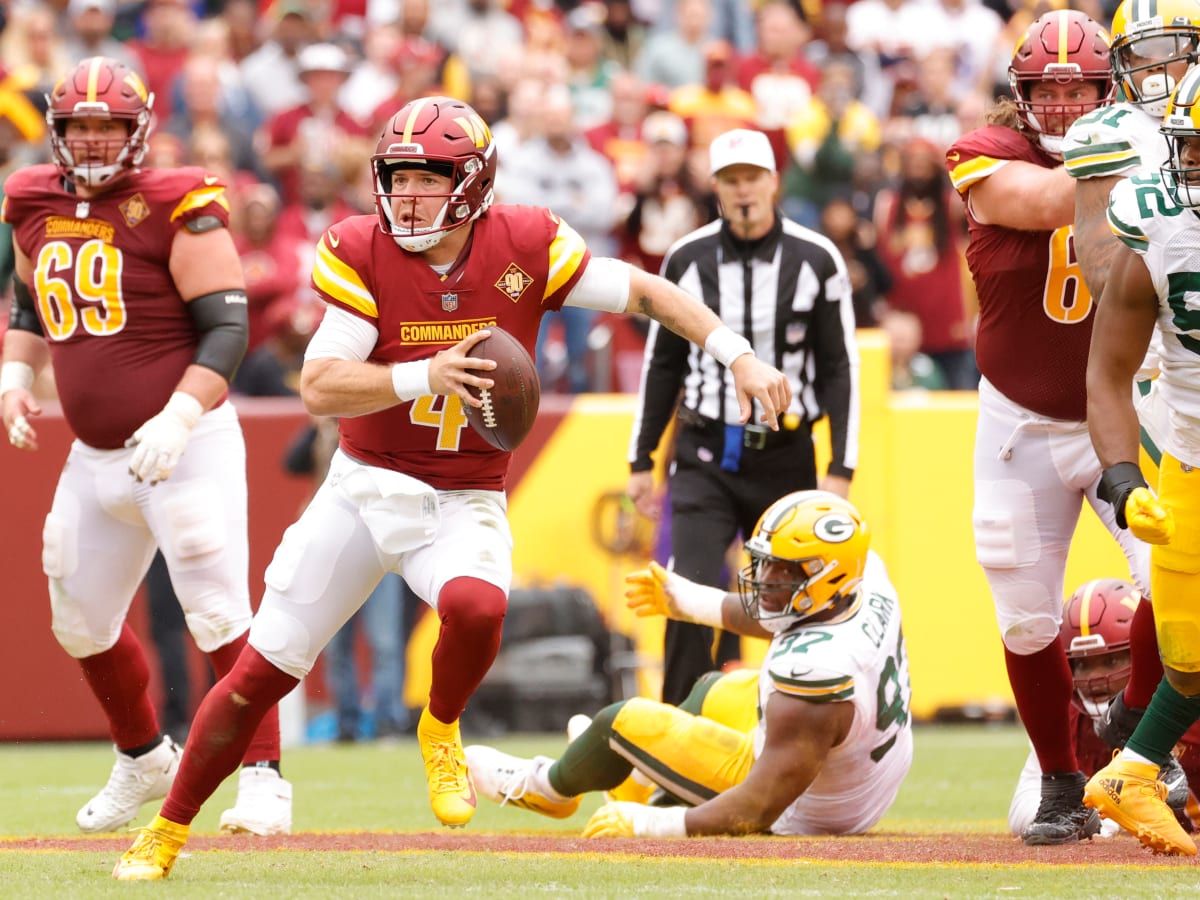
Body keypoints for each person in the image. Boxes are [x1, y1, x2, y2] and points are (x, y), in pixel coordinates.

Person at [112, 94, 791, 881]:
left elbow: (646, 292)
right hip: (363, 488)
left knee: (478, 605)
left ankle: (441, 729)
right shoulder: (363, 248)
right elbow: (322, 387)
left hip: (462, 496)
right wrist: (421, 374)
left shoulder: (526, 243)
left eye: (426, 179)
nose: (405, 195)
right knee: (260, 672)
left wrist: (738, 354)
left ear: (470, 184)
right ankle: (164, 831)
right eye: (396, 177)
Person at [0, 57, 291, 836]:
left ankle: (265, 777)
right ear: (57, 133)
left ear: (139, 130)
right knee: (78, 617)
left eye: (108, 126)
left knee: (218, 608)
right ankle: (142, 755)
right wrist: (12, 378)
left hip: (183, 442)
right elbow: (31, 302)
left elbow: (226, 326)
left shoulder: (176, 201)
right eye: (79, 127)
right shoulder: (31, 198)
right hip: (94, 454)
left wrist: (179, 416)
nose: (93, 142)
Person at [943, 10, 1150, 846]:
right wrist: (1146, 152)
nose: (1064, 106)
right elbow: (1040, 202)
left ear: (1109, 87)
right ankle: (1062, 781)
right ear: (1019, 96)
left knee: (1181, 596)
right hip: (1018, 421)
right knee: (1027, 616)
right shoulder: (986, 157)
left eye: (1081, 90)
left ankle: (1140, 747)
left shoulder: (1146, 153)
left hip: (1127, 414)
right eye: (1048, 90)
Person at [465, 490, 912, 839]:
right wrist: (686, 600)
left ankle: (551, 787)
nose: (766, 580)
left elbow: (759, 804)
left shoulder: (818, 670)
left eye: (784, 572)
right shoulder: (863, 578)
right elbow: (785, 613)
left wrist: (651, 825)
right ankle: (638, 772)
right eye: (766, 565)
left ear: (828, 575)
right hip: (861, 769)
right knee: (716, 688)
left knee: (626, 719)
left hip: (811, 808)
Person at [627, 126, 858, 707]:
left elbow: (839, 367)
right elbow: (663, 364)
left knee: (800, 597)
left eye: (752, 177)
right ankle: (676, 730)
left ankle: (795, 718)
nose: (743, 190)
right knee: (689, 592)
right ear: (716, 188)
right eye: (731, 180)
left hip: (786, 456)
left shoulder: (816, 258)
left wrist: (841, 467)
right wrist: (640, 457)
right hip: (704, 451)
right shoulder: (687, 257)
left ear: (774, 182)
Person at [1058, 0, 1200, 751]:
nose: (1158, 70)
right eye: (1141, 55)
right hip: (1162, 376)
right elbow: (1102, 266)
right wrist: (1171, 228)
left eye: (1174, 50)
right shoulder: (1116, 137)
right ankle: (1145, 744)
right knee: (1169, 584)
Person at [1082, 64, 1200, 856]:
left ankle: (1134, 767)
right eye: (1190, 149)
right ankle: (1131, 772)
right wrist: (1124, 480)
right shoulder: (1158, 219)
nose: (1193, 168)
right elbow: (1107, 371)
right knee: (1190, 661)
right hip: (1188, 460)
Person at [1008, 579, 1195, 838]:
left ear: (1148, 654)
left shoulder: (1187, 707)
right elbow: (1025, 804)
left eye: (1112, 660)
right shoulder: (1063, 718)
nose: (1096, 678)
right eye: (1083, 664)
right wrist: (1100, 820)